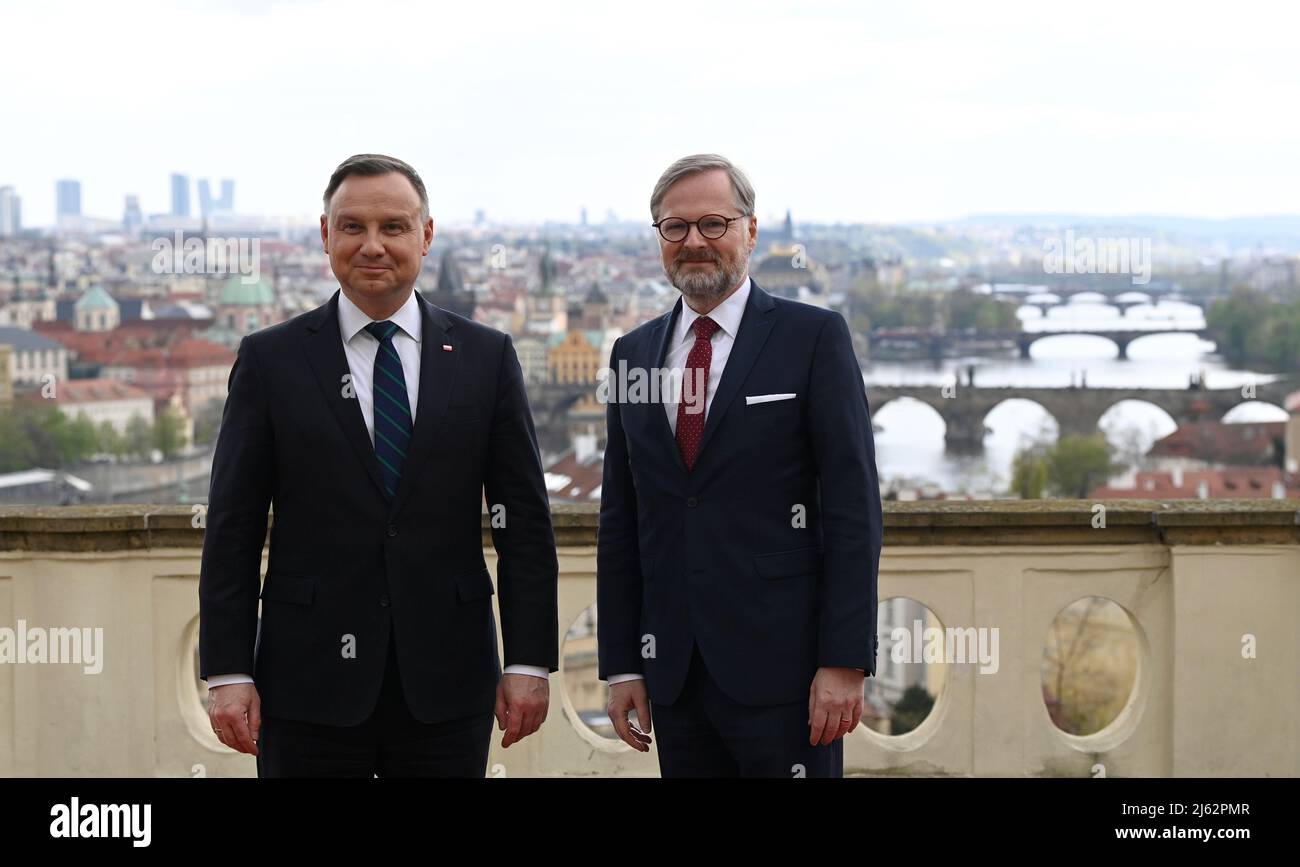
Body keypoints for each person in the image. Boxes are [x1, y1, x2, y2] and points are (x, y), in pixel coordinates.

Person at [199, 154, 558, 777]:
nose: (372, 246)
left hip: (448, 679)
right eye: (352, 227)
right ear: (325, 236)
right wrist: (228, 670)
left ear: (426, 235)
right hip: (305, 682)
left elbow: (523, 523)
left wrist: (528, 661)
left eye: (393, 227)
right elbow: (233, 527)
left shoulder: (486, 355)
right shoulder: (269, 360)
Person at [597, 154, 883, 777]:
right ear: (659, 241)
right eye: (675, 228)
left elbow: (853, 508)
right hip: (674, 672)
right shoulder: (633, 354)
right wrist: (622, 663)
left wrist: (845, 659)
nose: (694, 241)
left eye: (713, 223)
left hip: (788, 672)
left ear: (750, 231)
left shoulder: (813, 338)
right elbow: (622, 519)